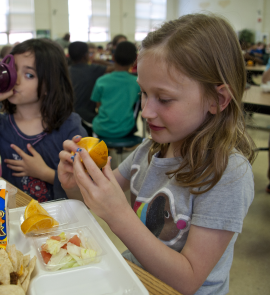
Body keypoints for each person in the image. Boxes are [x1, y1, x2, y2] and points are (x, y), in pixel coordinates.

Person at [58, 13, 256, 295]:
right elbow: (97, 201)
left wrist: (119, 215)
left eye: (164, 99)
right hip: (135, 279)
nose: (147, 112)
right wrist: (77, 184)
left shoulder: (228, 174)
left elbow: (188, 280)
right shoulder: (150, 149)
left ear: (217, 100)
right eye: (144, 93)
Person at [0, 38, 87, 202]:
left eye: (29, 75)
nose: (15, 80)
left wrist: (45, 173)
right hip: (18, 218)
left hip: (61, 220)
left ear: (50, 84)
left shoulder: (70, 126)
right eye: (13, 70)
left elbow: (85, 185)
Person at [91, 41, 140, 138]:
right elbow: (137, 104)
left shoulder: (101, 80)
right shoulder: (137, 83)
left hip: (101, 128)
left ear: (113, 57)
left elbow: (97, 105)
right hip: (125, 129)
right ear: (134, 60)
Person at [68, 41, 114, 136]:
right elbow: (115, 67)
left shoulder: (66, 71)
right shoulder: (93, 69)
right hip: (88, 117)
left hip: (69, 116)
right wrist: (97, 60)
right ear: (86, 55)